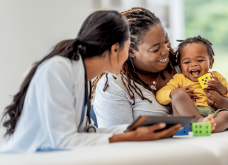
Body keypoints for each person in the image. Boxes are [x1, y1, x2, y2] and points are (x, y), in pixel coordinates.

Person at [1, 10, 183, 153]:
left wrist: (134, 129)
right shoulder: (58, 69)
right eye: (128, 49)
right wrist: (131, 137)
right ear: (114, 49)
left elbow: (86, 133)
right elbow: (62, 140)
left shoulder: (83, 76)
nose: (128, 57)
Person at [93, 7, 228, 128]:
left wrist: (221, 100)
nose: (166, 50)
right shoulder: (113, 86)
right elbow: (119, 140)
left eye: (166, 40)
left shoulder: (183, 61)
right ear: (130, 51)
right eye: (155, 49)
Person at [156, 36, 228, 132]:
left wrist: (222, 88)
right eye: (187, 62)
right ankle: (199, 121)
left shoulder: (215, 77)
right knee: (178, 95)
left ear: (210, 62)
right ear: (181, 67)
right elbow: (160, 96)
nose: (193, 64)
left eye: (200, 60)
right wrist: (173, 92)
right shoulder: (179, 79)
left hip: (213, 115)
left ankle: (209, 127)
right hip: (188, 116)